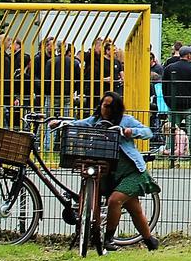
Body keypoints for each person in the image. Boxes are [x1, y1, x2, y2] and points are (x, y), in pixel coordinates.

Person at [63, 90, 160, 250]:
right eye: (104, 105)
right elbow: (79, 123)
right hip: (110, 174)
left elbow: (147, 132)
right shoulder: (96, 121)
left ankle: (108, 239)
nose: (106, 109)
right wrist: (62, 123)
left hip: (132, 172)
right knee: (134, 209)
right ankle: (150, 241)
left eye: (110, 107)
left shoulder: (126, 120)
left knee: (115, 200)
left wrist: (130, 132)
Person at [160, 45, 191, 157]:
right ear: (189, 55)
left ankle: (169, 151)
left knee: (171, 129)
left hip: (173, 104)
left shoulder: (169, 68)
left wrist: (168, 101)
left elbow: (164, 86)